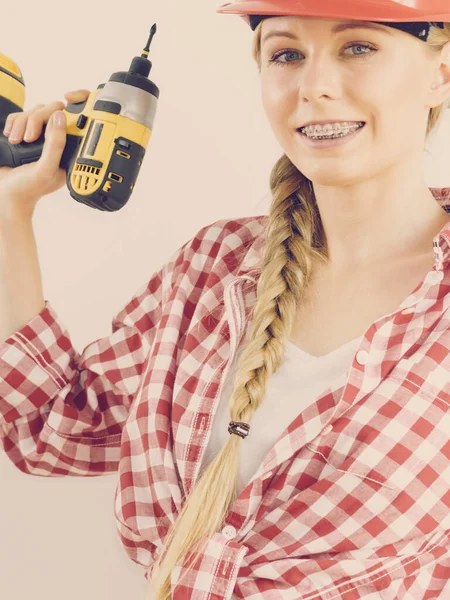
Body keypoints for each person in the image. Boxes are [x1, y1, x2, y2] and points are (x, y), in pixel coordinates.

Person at [2, 0, 450, 598]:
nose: (313, 87)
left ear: (440, 73)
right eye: (286, 54)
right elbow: (50, 430)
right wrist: (10, 208)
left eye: (358, 47)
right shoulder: (213, 264)